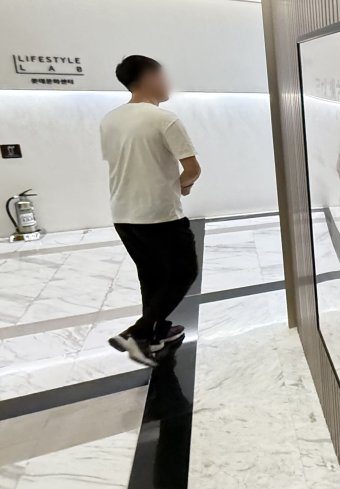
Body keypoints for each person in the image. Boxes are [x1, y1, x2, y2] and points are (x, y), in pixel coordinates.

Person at [100, 55, 201, 366]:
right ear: (151, 77)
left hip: (123, 214)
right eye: (164, 75)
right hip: (159, 216)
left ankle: (157, 334)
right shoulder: (164, 119)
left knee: (152, 277)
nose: (168, 83)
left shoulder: (110, 120)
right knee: (184, 272)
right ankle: (139, 333)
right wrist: (184, 185)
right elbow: (192, 169)